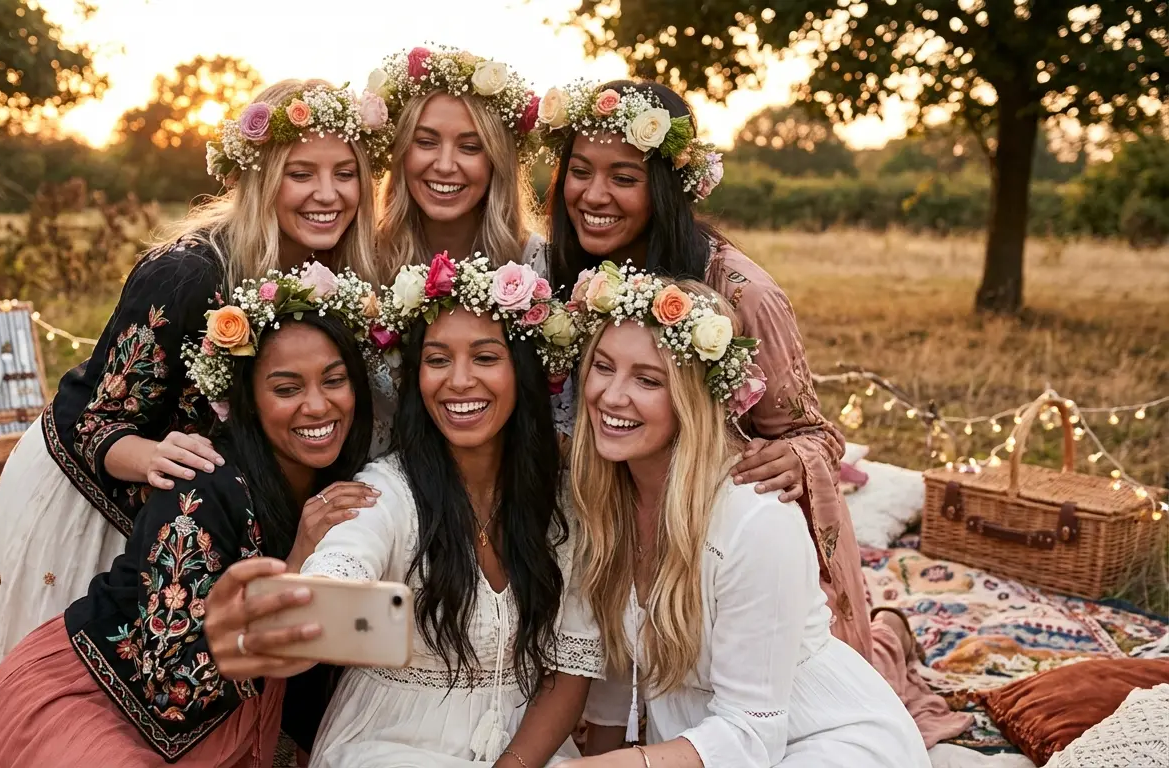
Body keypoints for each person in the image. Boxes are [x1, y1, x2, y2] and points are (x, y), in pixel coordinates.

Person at [0, 79, 392, 756]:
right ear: (259, 176)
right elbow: (88, 406)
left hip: (195, 511)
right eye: (302, 173)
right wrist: (143, 457)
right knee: (37, 696)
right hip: (93, 487)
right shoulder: (191, 273)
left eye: (346, 173)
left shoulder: (342, 271)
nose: (328, 193)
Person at [0, 266, 382, 767]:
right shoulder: (201, 489)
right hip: (95, 706)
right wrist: (300, 557)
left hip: (219, 725)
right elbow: (171, 688)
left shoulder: (347, 478)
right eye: (286, 389)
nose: (317, 405)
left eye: (334, 380)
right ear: (247, 401)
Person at [556, 268, 929, 767]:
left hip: (822, 743)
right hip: (706, 744)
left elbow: (751, 737)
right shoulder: (603, 501)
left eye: (647, 379)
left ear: (693, 398)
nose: (611, 395)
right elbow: (615, 683)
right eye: (603, 367)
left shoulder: (755, 519)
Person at [294, 253, 601, 766]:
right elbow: (348, 558)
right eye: (438, 360)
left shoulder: (561, 502)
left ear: (521, 373)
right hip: (392, 745)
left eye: (484, 358)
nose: (459, 381)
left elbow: (567, 670)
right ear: (416, 378)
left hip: (525, 746)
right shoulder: (388, 490)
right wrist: (323, 598)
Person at [369, 44, 547, 277]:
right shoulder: (364, 260)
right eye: (425, 142)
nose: (445, 166)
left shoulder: (539, 263)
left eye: (470, 147)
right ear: (400, 151)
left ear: (497, 161)